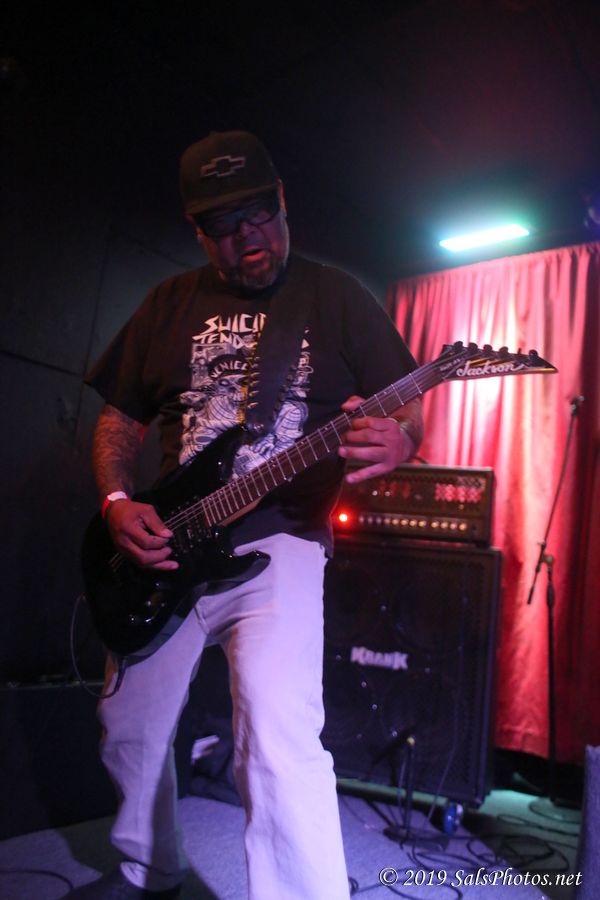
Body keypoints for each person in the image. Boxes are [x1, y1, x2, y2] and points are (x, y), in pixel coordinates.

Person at [73, 131, 423, 899]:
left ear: (283, 201)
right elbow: (117, 421)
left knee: (276, 728)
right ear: (198, 233)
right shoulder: (168, 304)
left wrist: (400, 438)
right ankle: (148, 868)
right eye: (224, 226)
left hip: (283, 540)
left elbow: (407, 410)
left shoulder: (337, 298)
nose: (247, 237)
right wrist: (117, 502)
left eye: (259, 213)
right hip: (171, 547)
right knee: (127, 727)